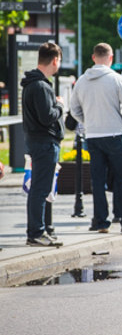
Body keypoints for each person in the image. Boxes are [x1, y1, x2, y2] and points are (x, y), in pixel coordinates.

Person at [70, 43, 122, 235]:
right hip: (115, 134)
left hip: (93, 136)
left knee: (98, 181)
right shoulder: (116, 79)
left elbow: (74, 110)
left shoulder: (81, 81)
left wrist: (88, 123)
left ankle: (101, 221)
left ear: (93, 57)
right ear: (111, 58)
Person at [21, 42, 64, 247]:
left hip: (37, 141)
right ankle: (36, 232)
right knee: (41, 188)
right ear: (54, 60)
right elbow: (47, 117)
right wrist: (60, 105)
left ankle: (39, 230)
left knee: (40, 187)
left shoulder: (31, 83)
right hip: (45, 143)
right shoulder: (41, 86)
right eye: (59, 61)